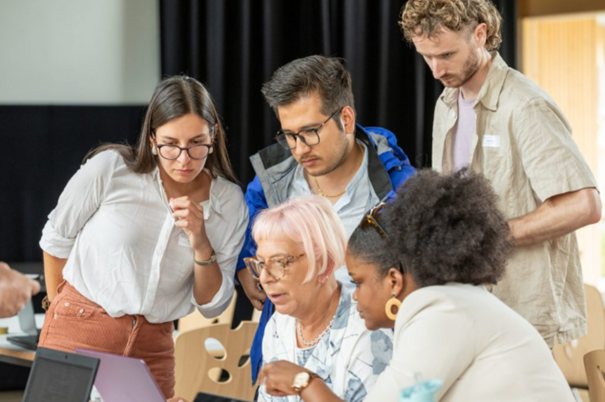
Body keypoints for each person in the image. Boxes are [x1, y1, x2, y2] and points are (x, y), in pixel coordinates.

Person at [260, 169, 575, 402]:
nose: (354, 295)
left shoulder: (441, 312)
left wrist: (305, 381)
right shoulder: (453, 302)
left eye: (359, 282)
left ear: (394, 280)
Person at [400, 0, 601, 348]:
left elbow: (585, 205)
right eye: (426, 56)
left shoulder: (525, 105)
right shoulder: (445, 104)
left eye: (446, 54)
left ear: (480, 34)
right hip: (466, 302)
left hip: (521, 307)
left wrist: (493, 235)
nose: (435, 70)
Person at [38, 76, 248, 399]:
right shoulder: (111, 169)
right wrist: (60, 309)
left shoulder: (230, 202)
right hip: (78, 326)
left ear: (213, 134)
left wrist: (200, 240)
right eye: (170, 144)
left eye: (196, 143)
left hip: (153, 346)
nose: (183, 158)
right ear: (151, 138)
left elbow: (212, 305)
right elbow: (55, 239)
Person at [235, 55, 415, 381]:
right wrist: (243, 266)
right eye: (289, 135)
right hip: (288, 356)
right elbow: (243, 244)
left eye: (310, 131)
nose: (299, 148)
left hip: (374, 364)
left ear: (345, 118)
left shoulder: (399, 188)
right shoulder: (270, 184)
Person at [248, 195, 392, 402]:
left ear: (325, 264)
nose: (264, 277)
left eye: (280, 262)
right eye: (261, 263)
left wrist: (305, 383)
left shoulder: (367, 333)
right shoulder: (279, 325)